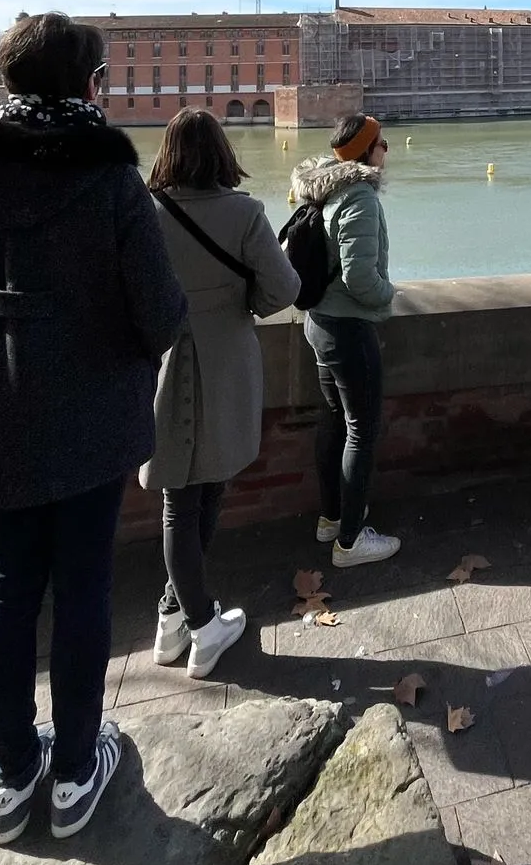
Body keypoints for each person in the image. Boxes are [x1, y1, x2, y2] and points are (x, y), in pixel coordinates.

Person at [0, 12, 187, 845]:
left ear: (11, 81)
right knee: (85, 588)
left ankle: (14, 772)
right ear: (92, 85)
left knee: (7, 588)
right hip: (93, 416)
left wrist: (2, 326)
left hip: (1, 415)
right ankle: (75, 772)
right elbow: (161, 317)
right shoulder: (112, 180)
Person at [144, 110, 301, 678]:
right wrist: (245, 307)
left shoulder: (146, 212)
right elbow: (284, 288)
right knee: (197, 495)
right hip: (227, 360)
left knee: (183, 494)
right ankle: (202, 628)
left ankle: (173, 617)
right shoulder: (245, 213)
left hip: (164, 363)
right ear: (220, 153)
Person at [289, 112, 401, 566]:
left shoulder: (326, 189)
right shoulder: (359, 198)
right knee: (362, 431)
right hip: (348, 328)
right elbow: (359, 277)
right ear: (366, 152)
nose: (387, 150)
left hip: (319, 323)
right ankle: (351, 541)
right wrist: (389, 294)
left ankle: (332, 518)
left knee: (334, 422)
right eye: (382, 143)